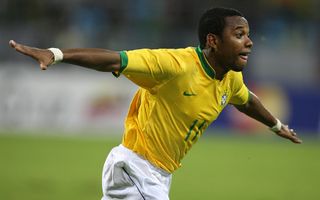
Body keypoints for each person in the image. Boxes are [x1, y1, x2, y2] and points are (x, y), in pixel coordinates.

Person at [9, 7, 302, 200]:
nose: (249, 42)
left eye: (248, 35)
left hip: (159, 175)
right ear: (213, 40)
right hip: (135, 168)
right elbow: (115, 59)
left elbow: (247, 101)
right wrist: (57, 54)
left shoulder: (229, 78)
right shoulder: (174, 65)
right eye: (239, 35)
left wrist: (276, 126)